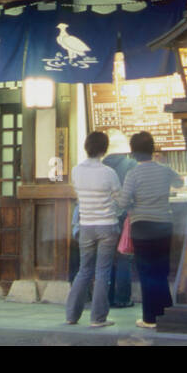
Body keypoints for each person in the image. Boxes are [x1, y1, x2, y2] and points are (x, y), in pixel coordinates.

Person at [115, 132, 183, 328]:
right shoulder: (165, 170)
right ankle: (166, 312)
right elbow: (179, 182)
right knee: (161, 271)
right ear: (153, 150)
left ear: (133, 153)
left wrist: (127, 200)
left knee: (146, 272)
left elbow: (122, 202)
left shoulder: (133, 174)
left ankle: (150, 318)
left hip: (142, 227)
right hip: (163, 224)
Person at [64, 131, 121, 328]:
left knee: (84, 270)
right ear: (104, 149)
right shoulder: (109, 173)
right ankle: (98, 318)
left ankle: (71, 315)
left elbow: (78, 194)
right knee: (102, 272)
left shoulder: (76, 171)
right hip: (107, 226)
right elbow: (119, 198)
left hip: (86, 225)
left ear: (86, 147)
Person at [101, 130, 137, 309]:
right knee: (124, 257)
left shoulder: (101, 165)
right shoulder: (131, 164)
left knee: (106, 258)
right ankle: (122, 298)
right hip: (124, 217)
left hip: (103, 218)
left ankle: (106, 298)